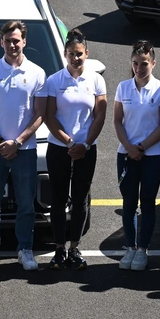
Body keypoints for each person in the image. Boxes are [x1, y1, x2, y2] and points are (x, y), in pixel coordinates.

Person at [0, 20, 47, 273]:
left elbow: (40, 114)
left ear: (24, 41)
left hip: (24, 151)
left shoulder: (37, 73)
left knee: (26, 204)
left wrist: (17, 142)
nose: (12, 44)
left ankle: (24, 249)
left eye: (17, 40)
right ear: (1, 42)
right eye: (8, 40)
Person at [42, 29, 106, 270]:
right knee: (58, 200)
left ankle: (74, 247)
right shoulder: (54, 81)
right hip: (60, 147)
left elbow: (99, 116)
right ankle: (59, 249)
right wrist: (69, 142)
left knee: (80, 200)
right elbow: (49, 116)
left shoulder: (96, 80)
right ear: (65, 54)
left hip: (87, 148)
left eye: (79, 54)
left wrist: (85, 144)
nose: (75, 58)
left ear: (86, 54)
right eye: (71, 54)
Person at [113, 39, 160, 272]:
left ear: (153, 63)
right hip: (126, 155)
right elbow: (117, 120)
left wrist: (142, 147)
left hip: (151, 156)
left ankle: (143, 250)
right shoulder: (123, 87)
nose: (139, 68)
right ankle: (130, 247)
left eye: (144, 63)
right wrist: (129, 147)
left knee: (147, 202)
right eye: (136, 63)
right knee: (129, 202)